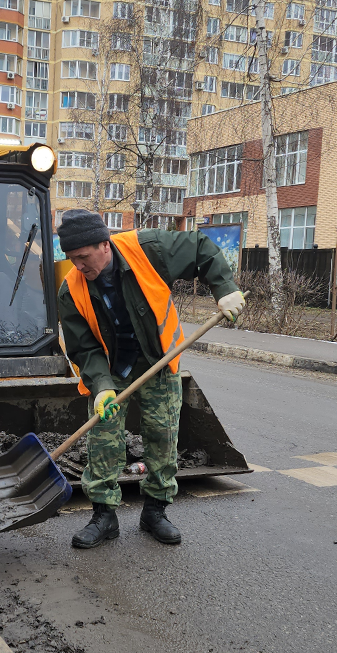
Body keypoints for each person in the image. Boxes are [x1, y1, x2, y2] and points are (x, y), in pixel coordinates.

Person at [56, 209, 245, 548]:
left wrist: (224, 287)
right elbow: (83, 348)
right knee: (103, 438)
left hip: (158, 360)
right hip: (112, 370)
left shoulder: (149, 248)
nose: (79, 266)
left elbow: (201, 247)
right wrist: (101, 388)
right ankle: (103, 516)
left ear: (104, 244)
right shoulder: (70, 290)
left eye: (83, 257)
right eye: (72, 259)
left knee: (162, 435)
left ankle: (155, 511)